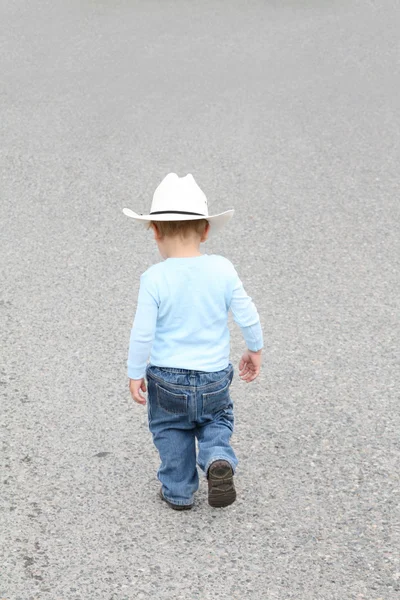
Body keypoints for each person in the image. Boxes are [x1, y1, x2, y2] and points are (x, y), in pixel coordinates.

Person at [123, 172, 263, 510]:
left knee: (171, 429)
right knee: (216, 419)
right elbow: (248, 313)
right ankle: (217, 457)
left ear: (154, 231)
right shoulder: (223, 269)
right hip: (213, 376)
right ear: (206, 230)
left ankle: (179, 491)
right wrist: (254, 349)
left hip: (167, 379)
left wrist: (134, 372)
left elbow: (142, 332)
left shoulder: (154, 278)